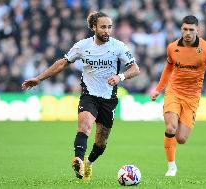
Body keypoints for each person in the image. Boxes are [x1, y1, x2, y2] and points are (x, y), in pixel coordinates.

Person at [21, 11, 140, 181]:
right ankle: (78, 160)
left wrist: (119, 77)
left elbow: (135, 69)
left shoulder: (118, 46)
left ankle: (88, 163)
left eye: (109, 27)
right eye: (103, 27)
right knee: (84, 127)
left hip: (108, 99)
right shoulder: (82, 46)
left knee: (101, 142)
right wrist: (39, 78)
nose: (107, 30)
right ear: (93, 28)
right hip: (89, 95)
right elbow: (62, 63)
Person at [150, 15, 206, 176]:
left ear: (197, 30)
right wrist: (158, 89)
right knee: (170, 126)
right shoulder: (172, 47)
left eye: (191, 30)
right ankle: (171, 167)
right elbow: (168, 69)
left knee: (181, 139)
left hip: (192, 97)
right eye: (185, 29)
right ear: (181, 29)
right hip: (174, 92)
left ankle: (179, 126)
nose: (188, 33)